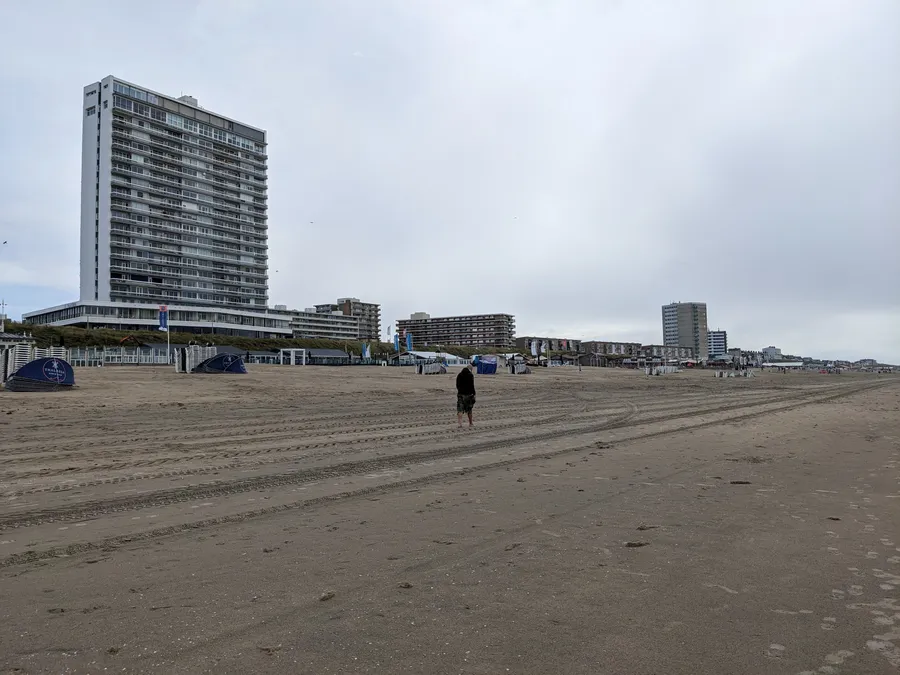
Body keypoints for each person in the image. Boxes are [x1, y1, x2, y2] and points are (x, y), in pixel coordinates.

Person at [456, 364, 476, 429]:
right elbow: (472, 385)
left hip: (460, 394)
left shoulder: (459, 375)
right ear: (470, 369)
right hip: (469, 395)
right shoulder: (470, 375)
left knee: (460, 410)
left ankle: (460, 424)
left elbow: (457, 385)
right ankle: (470, 423)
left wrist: (459, 390)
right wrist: (474, 393)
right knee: (469, 410)